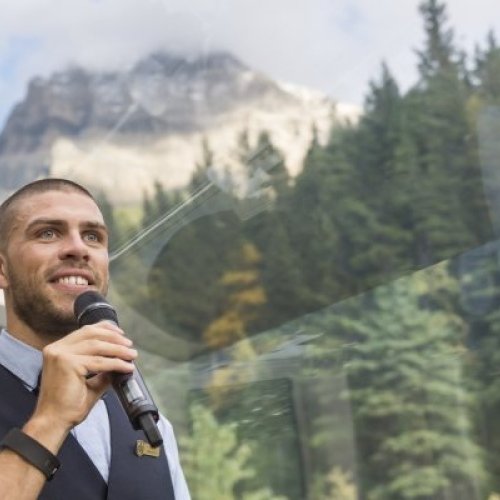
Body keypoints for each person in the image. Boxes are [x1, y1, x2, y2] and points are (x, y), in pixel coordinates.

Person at [0, 178, 191, 499]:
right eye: (48, 233)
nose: (78, 248)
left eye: (93, 236)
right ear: (2, 270)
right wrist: (50, 420)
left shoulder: (151, 425)